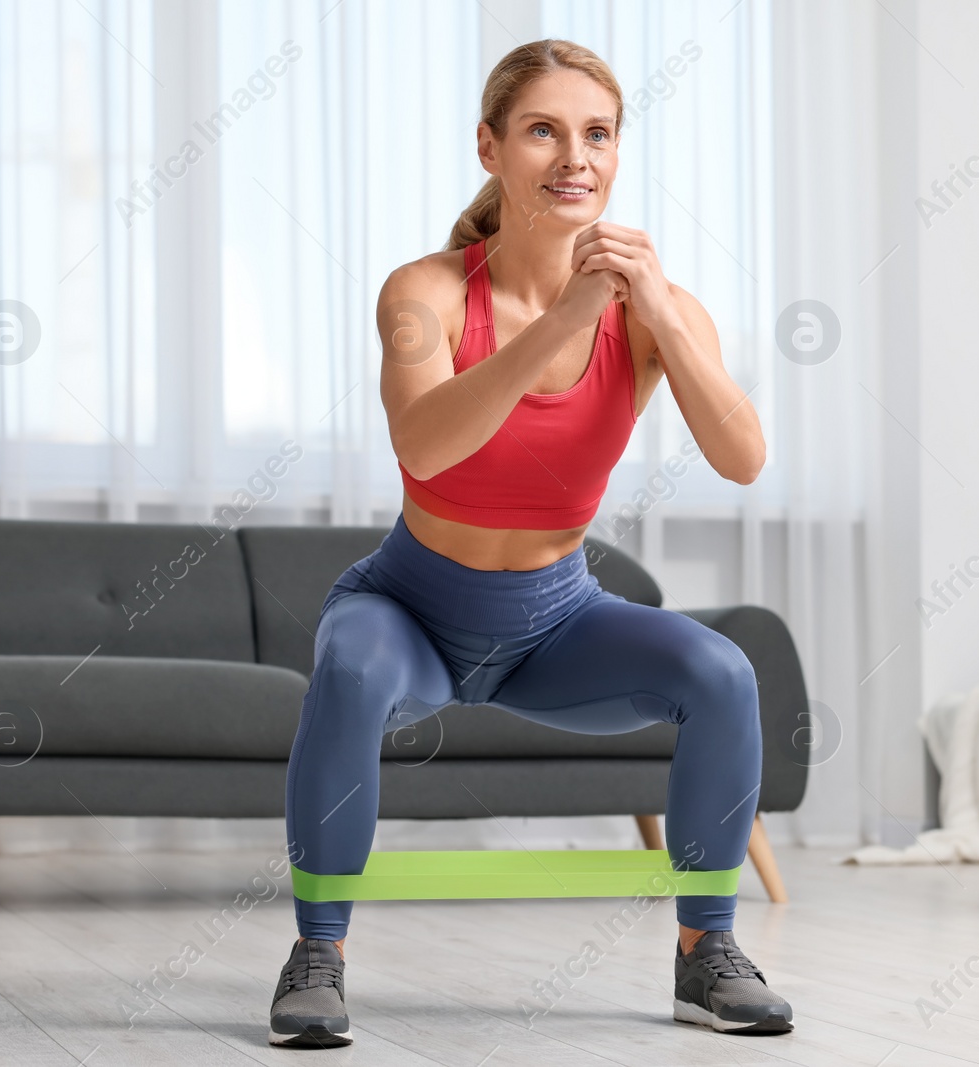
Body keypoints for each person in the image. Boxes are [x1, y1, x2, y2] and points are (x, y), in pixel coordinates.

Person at [268, 38, 790, 1049]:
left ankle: (705, 951)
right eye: (543, 130)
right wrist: (570, 317)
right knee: (347, 664)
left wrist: (661, 320)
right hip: (409, 608)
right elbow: (425, 445)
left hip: (556, 621)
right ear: (490, 146)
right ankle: (318, 954)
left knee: (722, 671)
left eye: (596, 134)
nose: (574, 157)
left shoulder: (653, 314)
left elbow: (743, 456)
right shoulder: (422, 292)